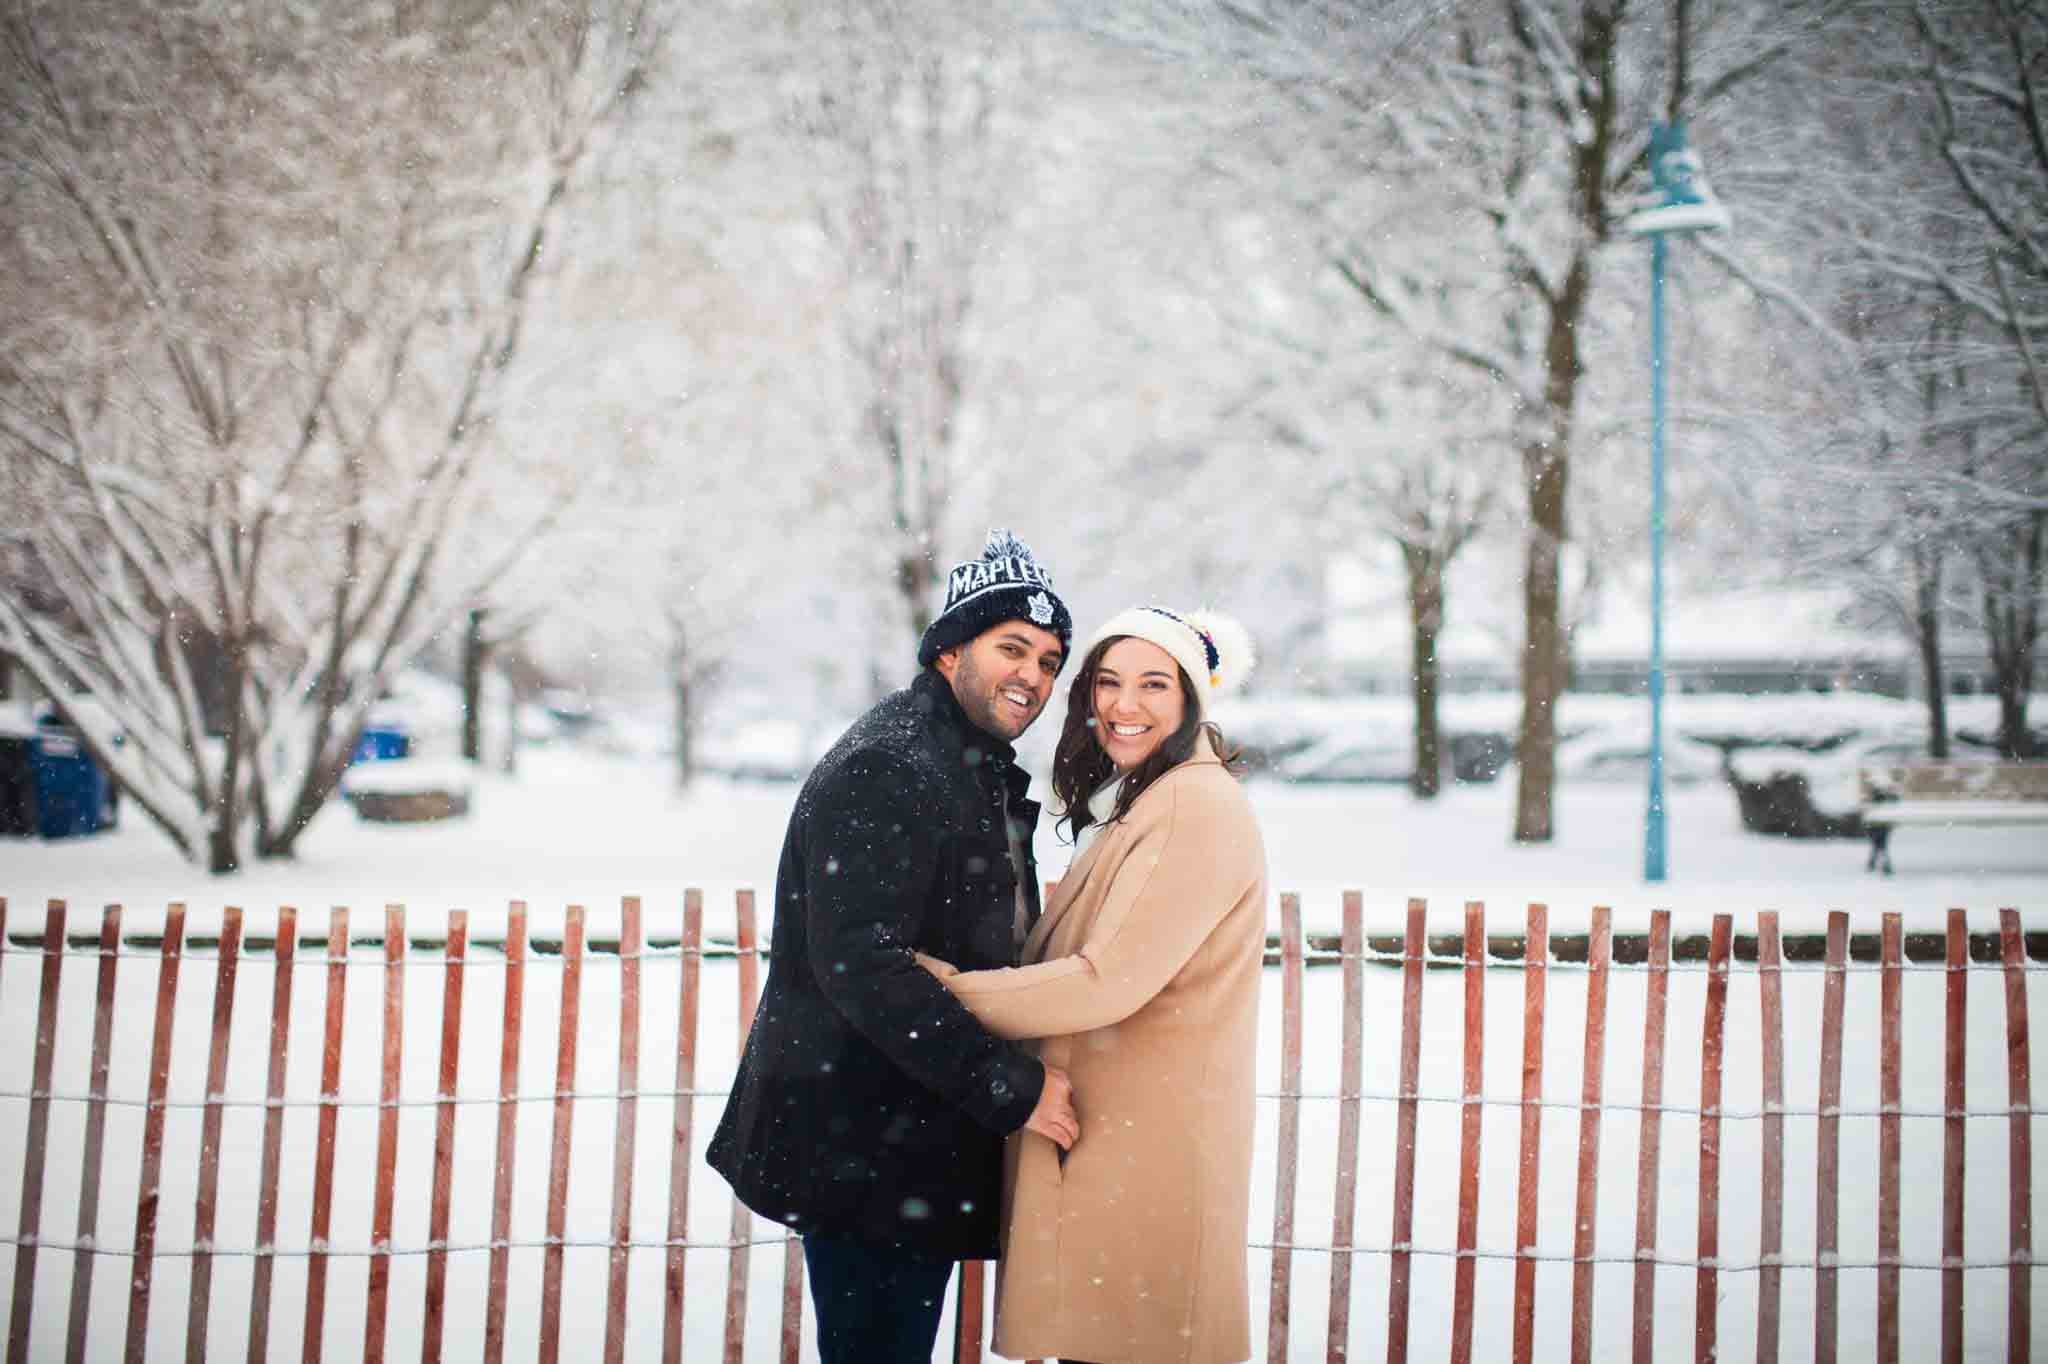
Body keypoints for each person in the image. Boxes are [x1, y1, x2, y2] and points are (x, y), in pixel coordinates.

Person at [706, 529, 1084, 1364]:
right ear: (951, 652)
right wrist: (1007, 1086)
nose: (1034, 673)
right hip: (865, 1145)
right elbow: (863, 966)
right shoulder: (894, 765)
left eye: (1052, 659)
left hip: (899, 1136)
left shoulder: (958, 760)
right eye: (1012, 646)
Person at [917, 605, 1267, 1364]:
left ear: (1191, 701)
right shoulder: (1143, 800)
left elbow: (1105, 982)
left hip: (1147, 1146)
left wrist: (938, 991)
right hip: (1117, 1135)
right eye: (1107, 683)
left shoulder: (1192, 807)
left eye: (1152, 685)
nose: (1123, 706)